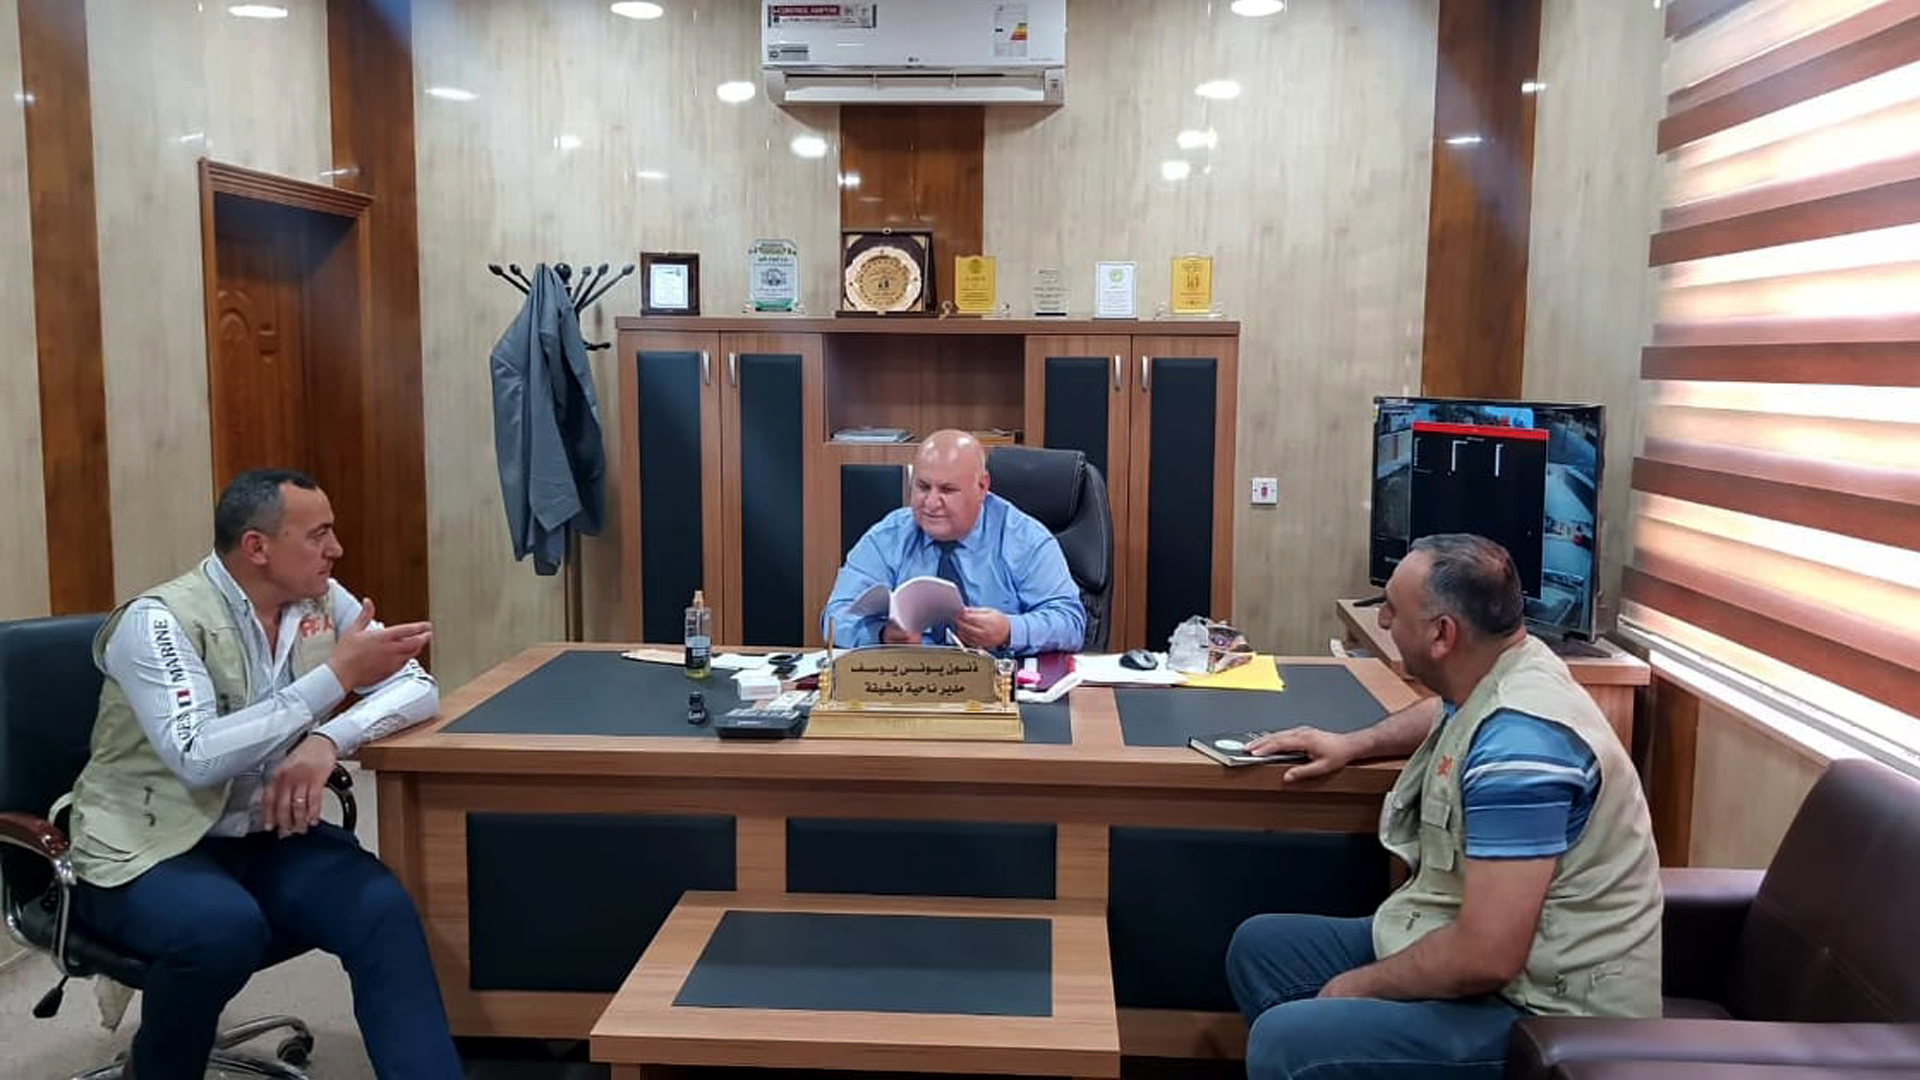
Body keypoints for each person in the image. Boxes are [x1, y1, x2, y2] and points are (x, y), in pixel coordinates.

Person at [64, 469, 462, 1079]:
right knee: (222, 930)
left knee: (380, 909)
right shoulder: (159, 621)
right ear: (257, 547)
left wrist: (328, 739)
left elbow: (416, 687)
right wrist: (335, 678)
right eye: (318, 535)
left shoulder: (322, 600)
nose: (336, 549)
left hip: (264, 832)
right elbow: (197, 756)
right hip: (147, 844)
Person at [1225, 533, 1661, 1080]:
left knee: (1288, 1041)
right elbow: (1445, 711)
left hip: (1545, 1014)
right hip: (1483, 959)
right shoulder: (1504, 668)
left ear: (1442, 634)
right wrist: (1353, 744)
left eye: (1392, 609)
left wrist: (1354, 988)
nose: (1383, 620)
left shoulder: (1521, 752)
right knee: (1262, 949)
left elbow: (1485, 956)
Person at [822, 429, 1085, 656]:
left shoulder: (1024, 538)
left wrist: (1009, 630)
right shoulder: (888, 537)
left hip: (996, 682)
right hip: (905, 682)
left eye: (947, 490)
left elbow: (1071, 622)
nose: (931, 503)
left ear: (982, 487)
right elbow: (834, 618)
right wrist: (881, 635)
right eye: (923, 487)